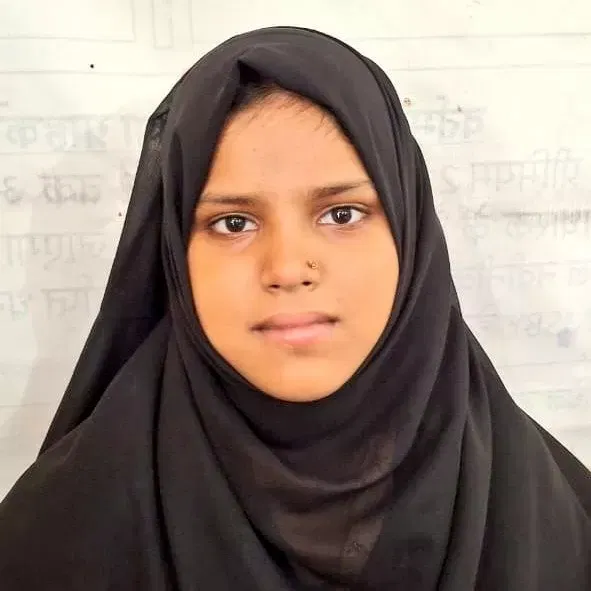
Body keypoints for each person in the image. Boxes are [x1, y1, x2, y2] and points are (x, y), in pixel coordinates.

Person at [0, 26, 589, 591]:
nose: (286, 267)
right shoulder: (56, 535)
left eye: (341, 214)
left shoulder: (559, 519)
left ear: (411, 236)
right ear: (176, 254)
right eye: (233, 223)